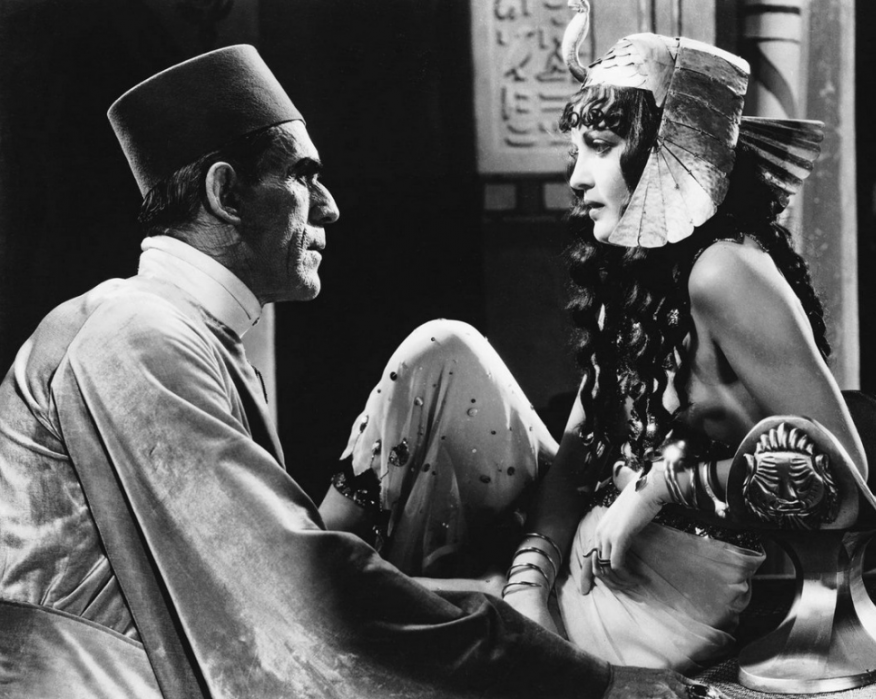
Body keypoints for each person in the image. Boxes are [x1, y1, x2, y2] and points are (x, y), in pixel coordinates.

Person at [0, 45, 719, 699]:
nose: (332, 207)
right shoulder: (137, 338)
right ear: (226, 195)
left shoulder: (174, 332)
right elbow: (305, 598)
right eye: (303, 176)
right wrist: (585, 681)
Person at [326, 0, 869, 677]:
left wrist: (661, 487)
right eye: (576, 150)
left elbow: (845, 477)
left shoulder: (726, 271)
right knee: (443, 350)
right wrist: (531, 575)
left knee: (383, 632)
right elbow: (581, 442)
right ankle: (308, 563)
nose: (577, 176)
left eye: (601, 148)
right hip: (575, 557)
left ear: (667, 152)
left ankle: (314, 581)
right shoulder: (638, 264)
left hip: (652, 607)